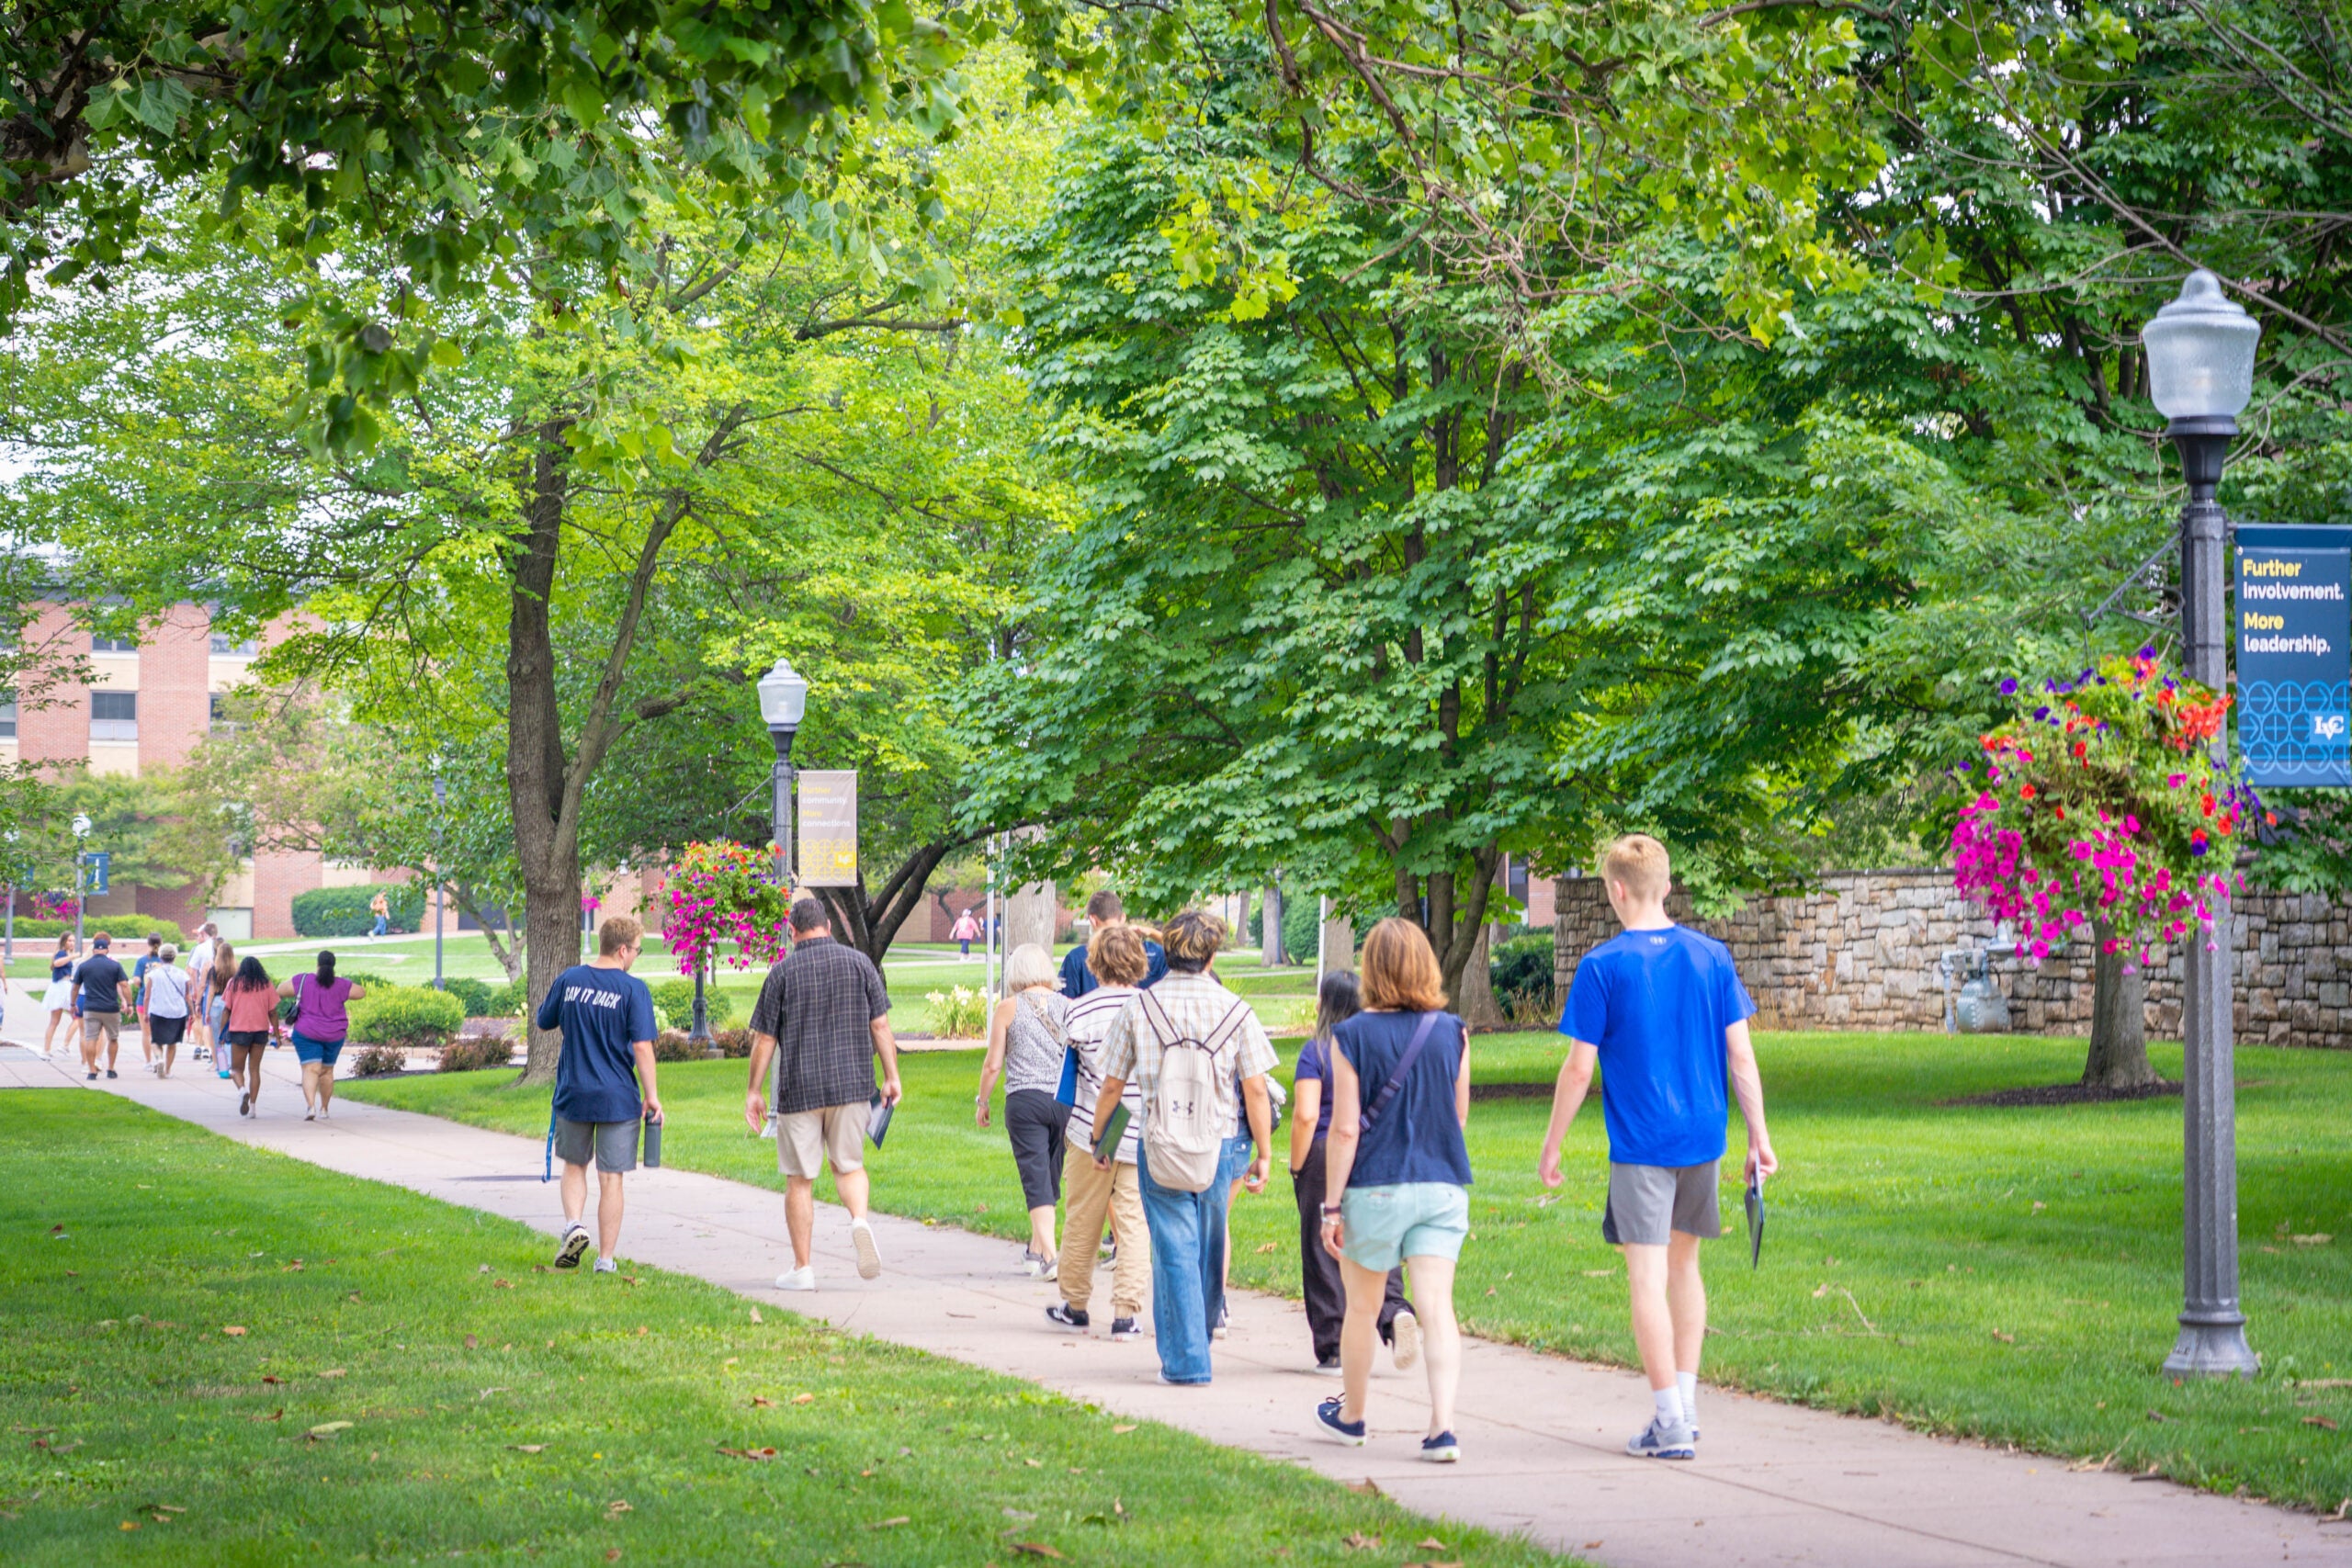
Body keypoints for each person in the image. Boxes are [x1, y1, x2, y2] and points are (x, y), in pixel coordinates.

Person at [1539, 833, 1778, 1462]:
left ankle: (1668, 1418)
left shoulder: (1601, 967)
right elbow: (1742, 1056)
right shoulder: (1712, 957)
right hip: (1704, 1136)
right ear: (1666, 884)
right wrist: (1759, 1136)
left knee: (1646, 1277)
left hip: (1641, 1145)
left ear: (1617, 890)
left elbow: (1576, 1070)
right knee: (1685, 1268)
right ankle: (1686, 1406)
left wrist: (1552, 1144)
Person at [1310, 919, 1473, 1461]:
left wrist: (1331, 1206)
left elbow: (1345, 1128)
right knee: (1437, 1308)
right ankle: (1442, 1428)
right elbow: (1458, 1116)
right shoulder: (1454, 1031)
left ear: (1370, 970)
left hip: (1375, 1187)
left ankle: (1353, 1417)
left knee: (1362, 1307)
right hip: (1442, 1183)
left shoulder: (1351, 1036)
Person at [1091, 908, 1276, 1386]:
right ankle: (1201, 1339)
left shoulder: (1141, 1007)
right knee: (1209, 1247)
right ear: (1211, 955)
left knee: (1174, 1249)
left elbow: (1111, 1085)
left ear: (1165, 952)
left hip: (1161, 1145)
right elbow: (1256, 1089)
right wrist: (1265, 1153)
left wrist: (1100, 1138)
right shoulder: (1236, 1010)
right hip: (1220, 1144)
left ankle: (1187, 1360)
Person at [744, 897, 904, 1292]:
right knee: (849, 1165)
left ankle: (803, 1269)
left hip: (801, 1090)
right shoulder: (860, 964)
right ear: (829, 927)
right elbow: (881, 1026)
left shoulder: (782, 973)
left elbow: (765, 1040)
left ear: (793, 932)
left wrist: (754, 1091)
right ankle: (860, 1222)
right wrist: (891, 1076)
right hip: (853, 1086)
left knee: (800, 1179)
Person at [1291, 969, 1416, 1376]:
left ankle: (1333, 1345)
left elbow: (1307, 1115)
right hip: (1374, 1149)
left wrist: (1297, 1165)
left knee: (1322, 1248)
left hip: (1327, 1149)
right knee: (1381, 1237)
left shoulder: (1317, 1051)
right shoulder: (1380, 1049)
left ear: (1324, 1004)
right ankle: (1394, 1312)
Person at [536, 915, 662, 1274]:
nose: (635, 956)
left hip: (574, 1092)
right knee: (611, 1177)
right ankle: (605, 1260)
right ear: (622, 950)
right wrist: (651, 1096)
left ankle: (574, 1225)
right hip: (617, 1097)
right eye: (637, 950)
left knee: (574, 1166)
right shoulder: (633, 990)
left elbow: (545, 1021)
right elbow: (642, 1047)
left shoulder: (570, 979)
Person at [1048, 922, 1152, 1338]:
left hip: (1090, 1128)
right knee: (1133, 1223)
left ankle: (1075, 1303)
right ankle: (1126, 1312)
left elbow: (1070, 1069)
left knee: (1082, 1219)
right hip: (1141, 1128)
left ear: (1095, 962)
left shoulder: (1078, 1010)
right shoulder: (1151, 1007)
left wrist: (1094, 1138)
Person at [975, 942, 1071, 1278]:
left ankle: (1050, 1256)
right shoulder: (1068, 1007)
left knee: (1035, 1178)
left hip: (1025, 1101)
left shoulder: (1008, 1008)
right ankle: (1034, 1249)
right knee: (1049, 1176)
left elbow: (992, 1065)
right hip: (1063, 1101)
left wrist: (982, 1101)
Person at [279, 950, 368, 1122]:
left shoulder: (304, 980)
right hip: (334, 1034)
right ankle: (324, 1109)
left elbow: (280, 989)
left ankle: (310, 1106)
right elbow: (361, 992)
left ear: (317, 964)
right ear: (333, 966)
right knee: (326, 1072)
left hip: (307, 1032)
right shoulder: (341, 984)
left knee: (310, 1069)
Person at [1058, 890, 1169, 999]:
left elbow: (1065, 1003)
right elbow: (1180, 950)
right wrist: (1151, 932)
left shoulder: (1077, 958)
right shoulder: (1151, 952)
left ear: (1093, 919)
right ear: (1123, 917)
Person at [220, 955, 284, 1116]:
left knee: (236, 1069)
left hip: (239, 1031)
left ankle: (242, 1091)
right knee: (254, 1069)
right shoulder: (266, 984)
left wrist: (221, 1033)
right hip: (260, 1032)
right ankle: (253, 1108)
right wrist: (277, 1035)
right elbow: (273, 1012)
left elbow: (226, 1010)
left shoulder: (233, 984)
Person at [71, 932, 130, 1081]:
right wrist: (129, 1003)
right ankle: (110, 1068)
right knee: (113, 1039)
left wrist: (73, 1004)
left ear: (94, 950)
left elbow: (75, 987)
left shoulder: (84, 966)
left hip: (91, 1008)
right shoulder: (115, 965)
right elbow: (124, 985)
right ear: (107, 950)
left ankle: (91, 1071)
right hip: (111, 1008)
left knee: (91, 1038)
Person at [142, 943, 194, 1078]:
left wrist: (146, 1012)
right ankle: (168, 1070)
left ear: (160, 957)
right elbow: (187, 996)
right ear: (174, 957)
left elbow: (147, 996)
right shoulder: (183, 975)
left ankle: (159, 1058)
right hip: (177, 1012)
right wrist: (192, 1013)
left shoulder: (153, 975)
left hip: (158, 1010)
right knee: (172, 1042)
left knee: (156, 1041)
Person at [40, 934, 78, 1058]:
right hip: (62, 988)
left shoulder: (66, 954)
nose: (72, 943)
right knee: (75, 1017)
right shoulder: (61, 953)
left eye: (73, 941)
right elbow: (56, 963)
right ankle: (59, 1046)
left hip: (65, 985)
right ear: (64, 942)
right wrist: (72, 956)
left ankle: (52, 1049)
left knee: (71, 1019)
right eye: (69, 941)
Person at [205, 940, 238, 1080]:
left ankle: (220, 1065)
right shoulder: (238, 969)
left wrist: (206, 1012)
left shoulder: (214, 970)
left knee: (218, 1036)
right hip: (233, 1002)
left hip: (217, 1002)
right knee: (231, 1035)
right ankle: (231, 1064)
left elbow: (211, 992)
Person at [186, 923, 217, 1064]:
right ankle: (211, 1049)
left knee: (203, 1019)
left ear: (204, 933)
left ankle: (203, 1047)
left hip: (204, 990)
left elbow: (192, 970)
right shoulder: (222, 946)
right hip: (222, 989)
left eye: (198, 934)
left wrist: (196, 989)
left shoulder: (199, 949)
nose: (197, 937)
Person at [130, 934, 163, 1059]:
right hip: (160, 1000)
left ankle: (148, 1061)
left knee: (146, 1033)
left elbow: (136, 980)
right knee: (159, 1033)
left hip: (143, 1000)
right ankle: (159, 1058)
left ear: (148, 944)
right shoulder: (163, 960)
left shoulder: (142, 961)